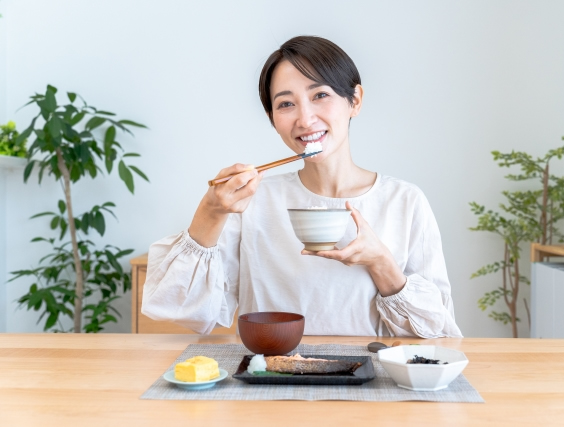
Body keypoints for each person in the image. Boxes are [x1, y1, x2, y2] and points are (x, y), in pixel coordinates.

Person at [141, 36, 462, 338]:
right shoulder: (253, 202)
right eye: (285, 104)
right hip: (269, 380)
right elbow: (181, 309)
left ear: (355, 100)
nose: (305, 119)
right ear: (272, 118)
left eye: (320, 95)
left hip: (371, 385)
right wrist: (210, 211)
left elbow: (437, 335)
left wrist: (381, 262)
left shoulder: (404, 201)